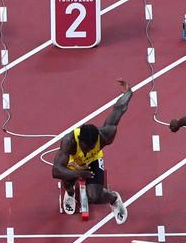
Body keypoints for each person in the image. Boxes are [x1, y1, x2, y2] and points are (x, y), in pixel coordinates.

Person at [50, 79, 132, 223]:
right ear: (79, 140)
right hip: (75, 162)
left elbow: (119, 110)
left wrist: (128, 93)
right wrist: (78, 173)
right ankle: (69, 194)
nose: (87, 149)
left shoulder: (106, 134)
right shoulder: (69, 141)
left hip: (94, 160)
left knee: (94, 196)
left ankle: (114, 199)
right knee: (67, 178)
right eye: (85, 147)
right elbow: (56, 170)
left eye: (91, 146)